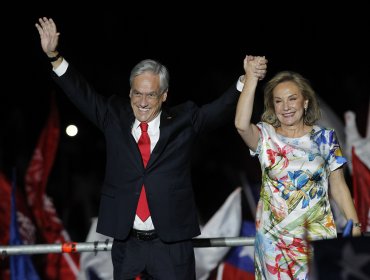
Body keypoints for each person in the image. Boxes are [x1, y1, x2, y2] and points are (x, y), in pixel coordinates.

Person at [35, 17, 267, 280]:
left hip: (171, 243)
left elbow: (220, 109)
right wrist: (54, 57)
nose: (143, 102)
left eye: (151, 95)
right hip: (127, 242)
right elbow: (81, 93)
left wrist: (245, 79)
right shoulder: (113, 115)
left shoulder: (184, 119)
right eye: (137, 94)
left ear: (164, 95)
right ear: (130, 92)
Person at [235, 56, 362, 279]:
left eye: (292, 99)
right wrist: (252, 78)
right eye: (278, 101)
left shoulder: (326, 138)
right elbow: (241, 124)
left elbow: (339, 187)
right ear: (272, 106)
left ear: (305, 102)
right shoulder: (265, 136)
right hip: (274, 246)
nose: (286, 107)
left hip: (317, 239)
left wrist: (357, 227)